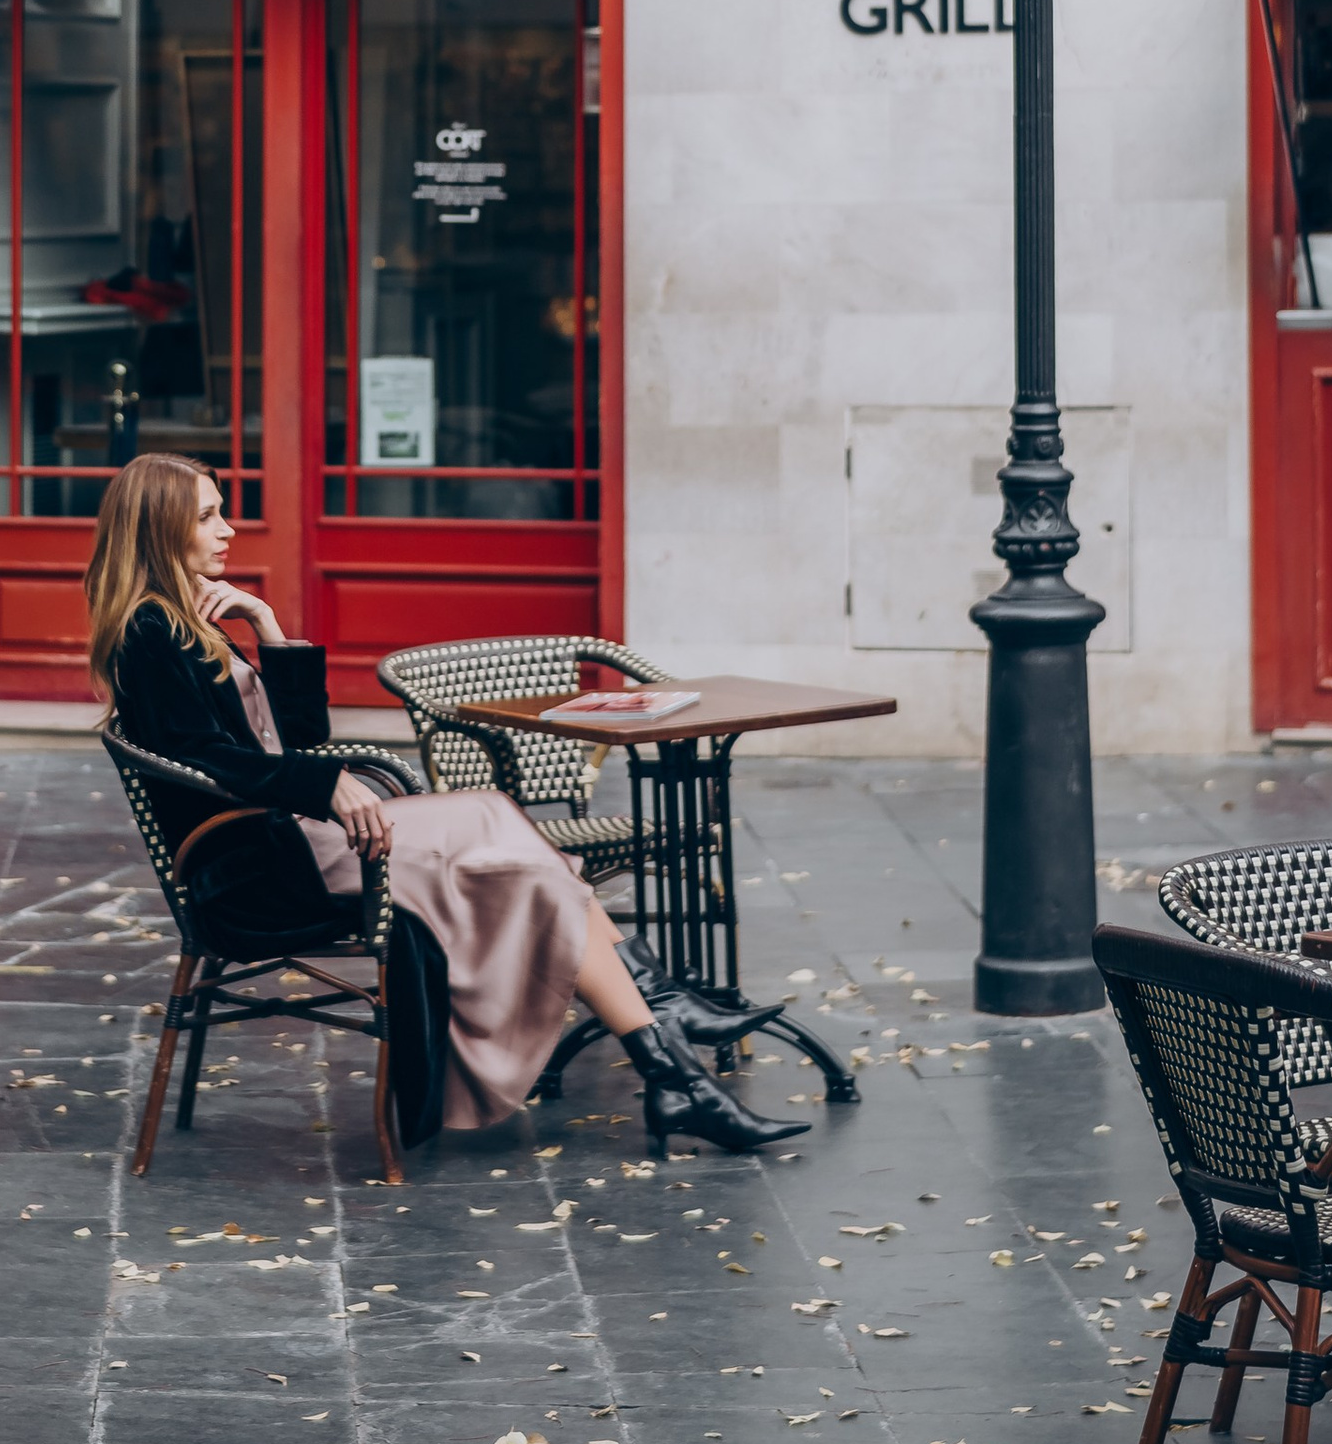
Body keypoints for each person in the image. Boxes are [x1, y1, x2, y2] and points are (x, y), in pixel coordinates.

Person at [87, 451, 807, 1158]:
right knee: (523, 854)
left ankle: (668, 1058)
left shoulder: (191, 619)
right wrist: (326, 786)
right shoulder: (150, 635)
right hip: (267, 868)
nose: (228, 530)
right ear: (161, 529)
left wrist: (268, 627)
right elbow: (210, 762)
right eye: (209, 517)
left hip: (296, 833)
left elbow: (303, 736)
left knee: (502, 824)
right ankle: (669, 1042)